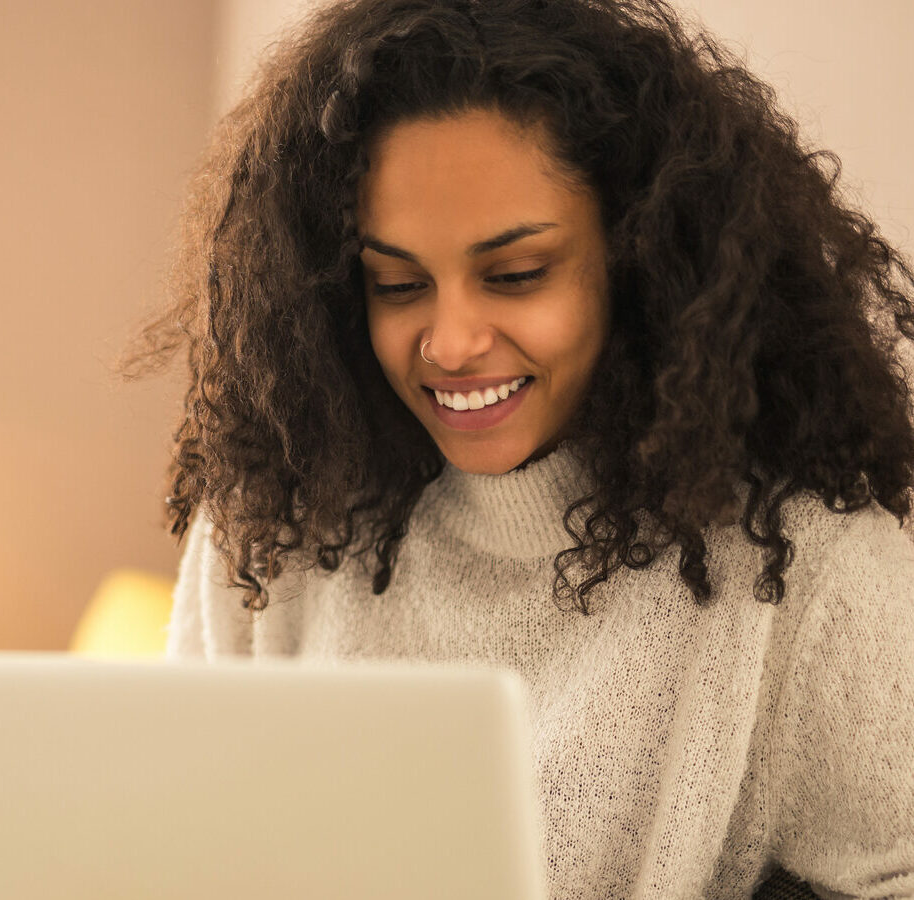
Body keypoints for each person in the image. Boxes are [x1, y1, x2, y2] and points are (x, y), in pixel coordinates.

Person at [146, 1, 914, 898]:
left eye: (513, 276)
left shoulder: (809, 575)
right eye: (396, 284)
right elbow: (181, 851)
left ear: (642, 264)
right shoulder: (276, 529)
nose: (449, 342)